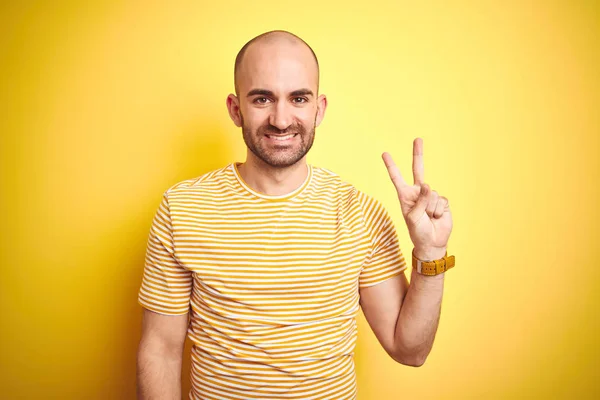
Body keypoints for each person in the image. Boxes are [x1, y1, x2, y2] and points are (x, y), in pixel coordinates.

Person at [136, 30, 454, 400]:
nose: (281, 119)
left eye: (298, 98)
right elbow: (159, 351)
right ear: (236, 108)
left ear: (318, 109)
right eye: (262, 98)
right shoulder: (182, 208)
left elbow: (410, 351)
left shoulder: (361, 213)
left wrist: (431, 253)